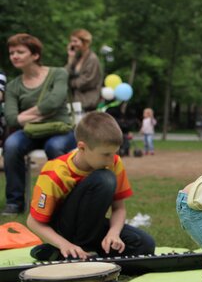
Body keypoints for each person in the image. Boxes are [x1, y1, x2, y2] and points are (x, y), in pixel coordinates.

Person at [26, 112, 156, 261]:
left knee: (145, 245)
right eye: (105, 154)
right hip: (63, 232)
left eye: (114, 153)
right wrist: (64, 244)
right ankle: (65, 249)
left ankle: (74, 254)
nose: (110, 160)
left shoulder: (114, 162)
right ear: (82, 147)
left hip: (93, 228)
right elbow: (33, 222)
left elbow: (119, 208)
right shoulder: (55, 173)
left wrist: (113, 234)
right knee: (104, 179)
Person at [3, 33, 77, 215]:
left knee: (55, 147)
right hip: (31, 132)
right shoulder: (13, 86)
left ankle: (60, 200)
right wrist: (42, 113)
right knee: (11, 145)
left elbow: (56, 100)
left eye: (20, 52)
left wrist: (25, 114)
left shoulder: (58, 73)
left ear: (35, 55)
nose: (14, 56)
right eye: (12, 52)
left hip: (59, 129)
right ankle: (15, 202)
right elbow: (11, 118)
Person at [65, 29, 102, 112]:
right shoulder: (77, 58)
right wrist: (70, 59)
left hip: (87, 103)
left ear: (84, 42)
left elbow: (86, 82)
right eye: (71, 41)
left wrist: (69, 83)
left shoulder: (92, 59)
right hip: (74, 102)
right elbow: (65, 74)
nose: (72, 44)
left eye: (75, 41)